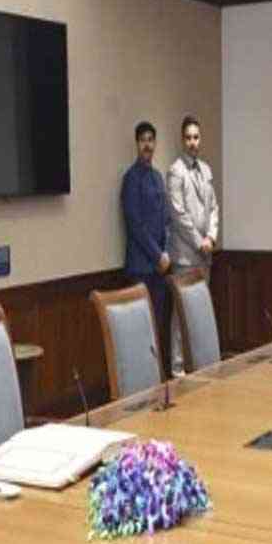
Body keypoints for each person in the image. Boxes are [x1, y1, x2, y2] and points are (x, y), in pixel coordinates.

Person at [167, 115, 219, 375]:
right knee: (181, 315)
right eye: (188, 137)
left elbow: (214, 209)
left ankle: (200, 366)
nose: (192, 142)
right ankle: (177, 369)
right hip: (186, 256)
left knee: (199, 311)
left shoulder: (206, 170)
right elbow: (178, 215)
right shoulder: (176, 171)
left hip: (205, 255)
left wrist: (211, 237)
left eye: (196, 137)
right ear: (181, 139)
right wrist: (199, 242)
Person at [121, 121, 171, 372]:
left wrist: (166, 253)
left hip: (160, 269)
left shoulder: (158, 177)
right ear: (136, 144)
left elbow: (165, 220)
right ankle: (141, 379)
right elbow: (135, 224)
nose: (147, 145)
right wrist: (157, 255)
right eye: (143, 140)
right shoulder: (131, 179)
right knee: (141, 329)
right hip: (141, 267)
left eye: (151, 139)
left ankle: (157, 378)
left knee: (158, 326)